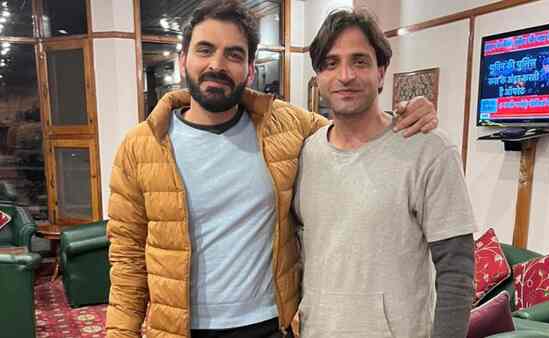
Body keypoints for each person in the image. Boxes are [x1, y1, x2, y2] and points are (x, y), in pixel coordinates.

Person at [105, 1, 438, 337]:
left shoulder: (289, 128)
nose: (217, 65)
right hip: (180, 328)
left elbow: (353, 129)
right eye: (205, 50)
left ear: (250, 69)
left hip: (270, 325)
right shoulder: (141, 147)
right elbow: (128, 259)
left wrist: (408, 113)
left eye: (234, 54)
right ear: (183, 60)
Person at [293, 8, 476, 338]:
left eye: (360, 61)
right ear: (318, 77)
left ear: (381, 71)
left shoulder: (428, 150)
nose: (345, 75)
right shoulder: (306, 153)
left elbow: (456, 271)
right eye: (331, 63)